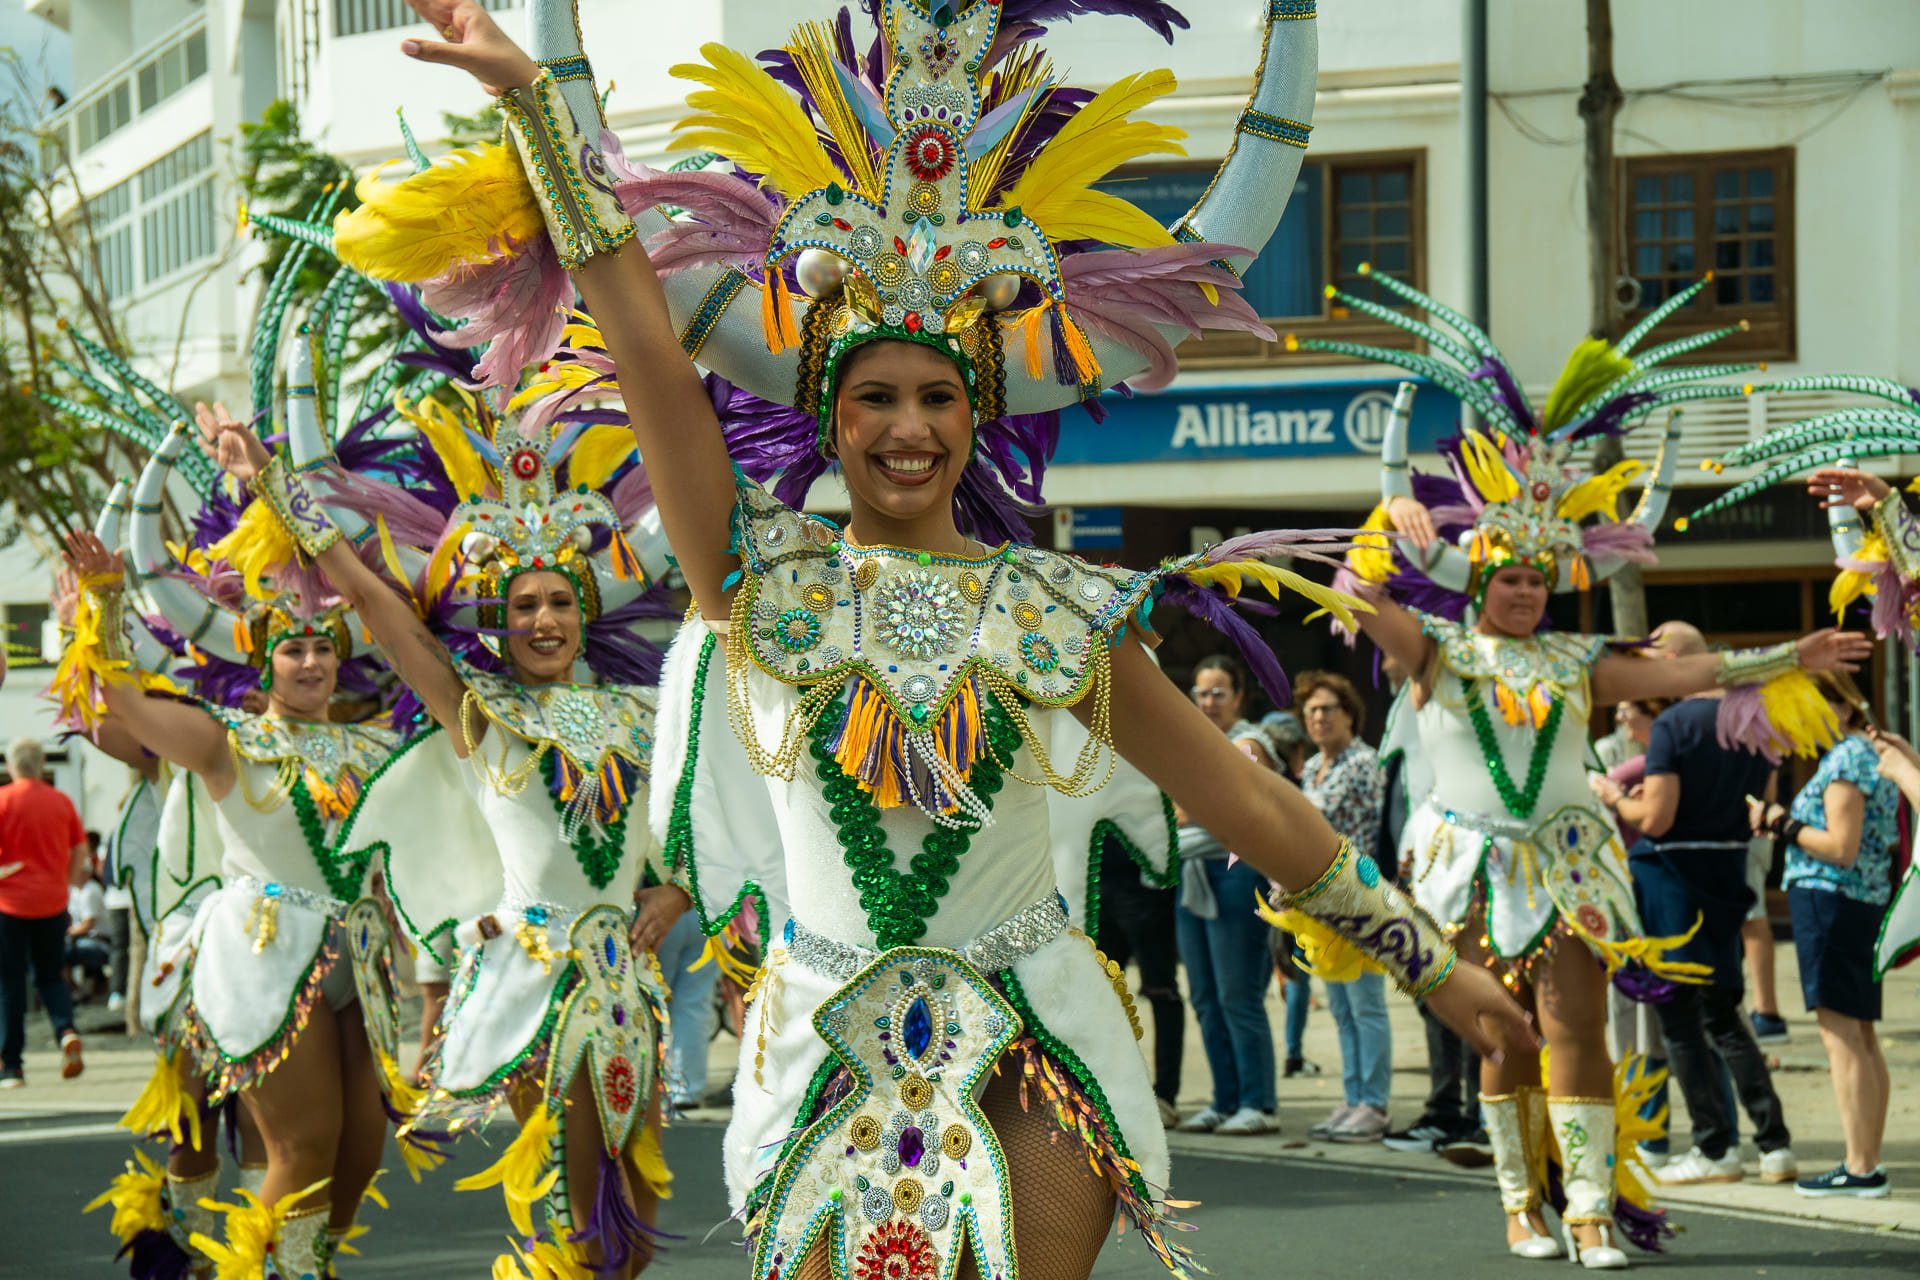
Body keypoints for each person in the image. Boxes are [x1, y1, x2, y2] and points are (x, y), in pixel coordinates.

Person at [338, 5, 1535, 1275]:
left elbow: (1237, 793)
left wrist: (1432, 965)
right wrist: (534, 99)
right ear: (828, 411)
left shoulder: (1054, 612)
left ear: (980, 416)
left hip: (1035, 1036)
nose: (907, 429)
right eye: (874, 397)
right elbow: (643, 341)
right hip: (821, 1049)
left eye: (937, 397)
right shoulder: (758, 578)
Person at [1326, 273, 1870, 1268]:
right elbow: (1353, 596)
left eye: (1540, 577)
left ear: (1556, 582)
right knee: (1501, 1032)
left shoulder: (1582, 660)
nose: (1527, 591)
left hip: (1571, 854)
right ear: (1481, 581)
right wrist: (1388, 523)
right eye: (1511, 577)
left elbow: (1692, 668)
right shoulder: (1442, 651)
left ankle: (1583, 1205)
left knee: (1577, 1023)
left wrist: (1796, 654)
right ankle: (1516, 1202)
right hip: (1467, 858)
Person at [218, 320, 687, 1272]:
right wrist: (285, 499)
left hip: (628, 989)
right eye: (523, 606)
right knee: (567, 1211)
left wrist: (678, 890)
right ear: (495, 621)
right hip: (537, 978)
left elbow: (687, 820)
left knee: (630, 1224)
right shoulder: (484, 714)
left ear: (586, 613)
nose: (545, 619)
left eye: (560, 601)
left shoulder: (649, 710)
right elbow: (388, 617)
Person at [1593, 621, 1797, 1189]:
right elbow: (1764, 803)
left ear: (1676, 660)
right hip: (1728, 870)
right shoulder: (1757, 722)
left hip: (1673, 877)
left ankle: (1714, 1146)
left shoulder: (1676, 723)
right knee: (1725, 1015)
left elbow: (1655, 817)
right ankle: (1773, 1142)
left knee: (1680, 1018)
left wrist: (1614, 798)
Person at [1749, 670, 1895, 1200]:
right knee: (1860, 1036)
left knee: (1844, 1038)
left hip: (1832, 899)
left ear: (1839, 706)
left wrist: (1780, 821)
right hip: (1856, 901)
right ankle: (1865, 1161)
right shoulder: (1862, 752)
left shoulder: (1846, 759)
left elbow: (1840, 846)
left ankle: (1861, 1166)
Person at [1175, 656, 1284, 1136]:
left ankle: (1257, 1102)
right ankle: (1224, 1099)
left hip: (1234, 873)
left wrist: (1189, 803)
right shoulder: (1196, 742)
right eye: (1201, 692)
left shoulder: (1249, 740)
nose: (1208, 701)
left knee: (1238, 994)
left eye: (1219, 692)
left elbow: (1222, 803)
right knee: (1204, 996)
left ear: (1239, 696)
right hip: (1191, 871)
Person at [1292, 671, 1392, 1144]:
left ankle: (1373, 1103)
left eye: (1328, 708)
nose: (1318, 718)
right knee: (1341, 1008)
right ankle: (1353, 1097)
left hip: (1358, 893)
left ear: (1349, 713)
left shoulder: (1363, 762)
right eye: (1311, 710)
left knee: (1366, 1005)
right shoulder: (1313, 767)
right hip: (1319, 900)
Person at [0, 735, 90, 1087]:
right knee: (51, 976)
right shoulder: (61, 802)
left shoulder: (3, 800)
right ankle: (65, 1030)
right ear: (41, 766)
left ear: (11, 765)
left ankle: (12, 1066)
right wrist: (63, 886)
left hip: (8, 905)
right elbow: (80, 853)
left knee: (9, 983)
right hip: (52, 904)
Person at [65, 858, 112, 1000]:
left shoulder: (90, 890)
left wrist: (67, 932)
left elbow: (88, 924)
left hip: (101, 942)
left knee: (61, 954)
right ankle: (76, 990)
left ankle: (74, 992)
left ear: (85, 873)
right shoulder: (75, 890)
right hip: (85, 939)